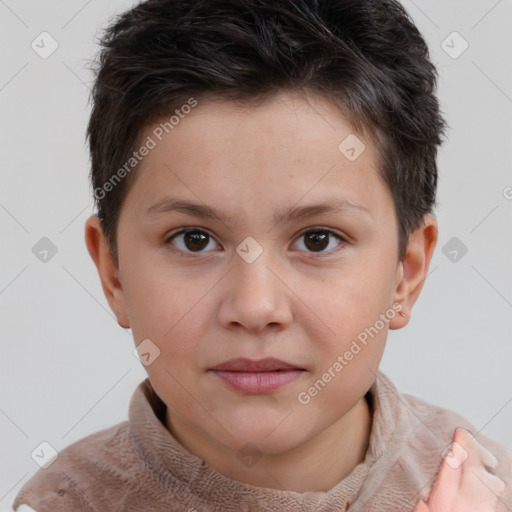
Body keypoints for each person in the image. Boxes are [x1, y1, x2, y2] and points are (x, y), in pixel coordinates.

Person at [12, 0, 511, 510]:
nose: (254, 307)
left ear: (405, 274)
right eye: (194, 239)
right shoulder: (66, 502)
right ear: (113, 271)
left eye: (318, 239)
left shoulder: (487, 487)